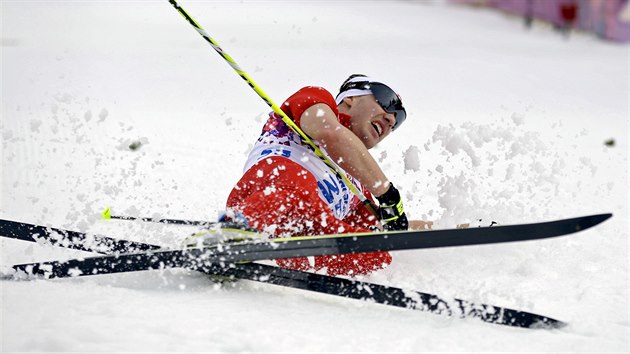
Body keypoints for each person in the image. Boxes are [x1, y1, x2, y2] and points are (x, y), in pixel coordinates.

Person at [226, 74, 424, 276]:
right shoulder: (316, 98)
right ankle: (235, 232)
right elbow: (330, 133)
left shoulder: (358, 188)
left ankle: (270, 253)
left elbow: (391, 231)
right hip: (268, 196)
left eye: (397, 121)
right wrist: (387, 194)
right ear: (350, 98)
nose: (391, 120)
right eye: (387, 101)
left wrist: (451, 229)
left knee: (375, 249)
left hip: (305, 233)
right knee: (296, 184)